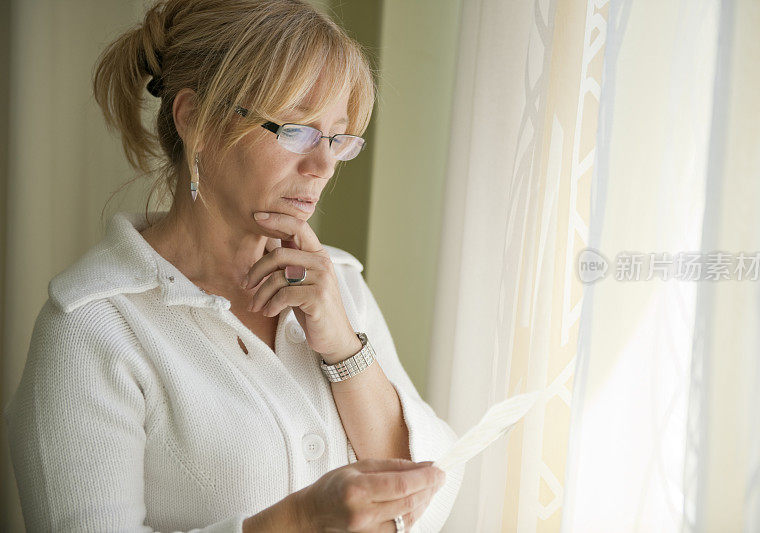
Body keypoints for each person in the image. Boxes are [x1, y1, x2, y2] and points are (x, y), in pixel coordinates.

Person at [3, 1, 463, 531]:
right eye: (295, 129)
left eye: (337, 137)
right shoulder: (91, 328)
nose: (322, 166)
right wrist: (298, 521)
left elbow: (428, 492)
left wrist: (344, 346)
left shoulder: (339, 285)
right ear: (196, 120)